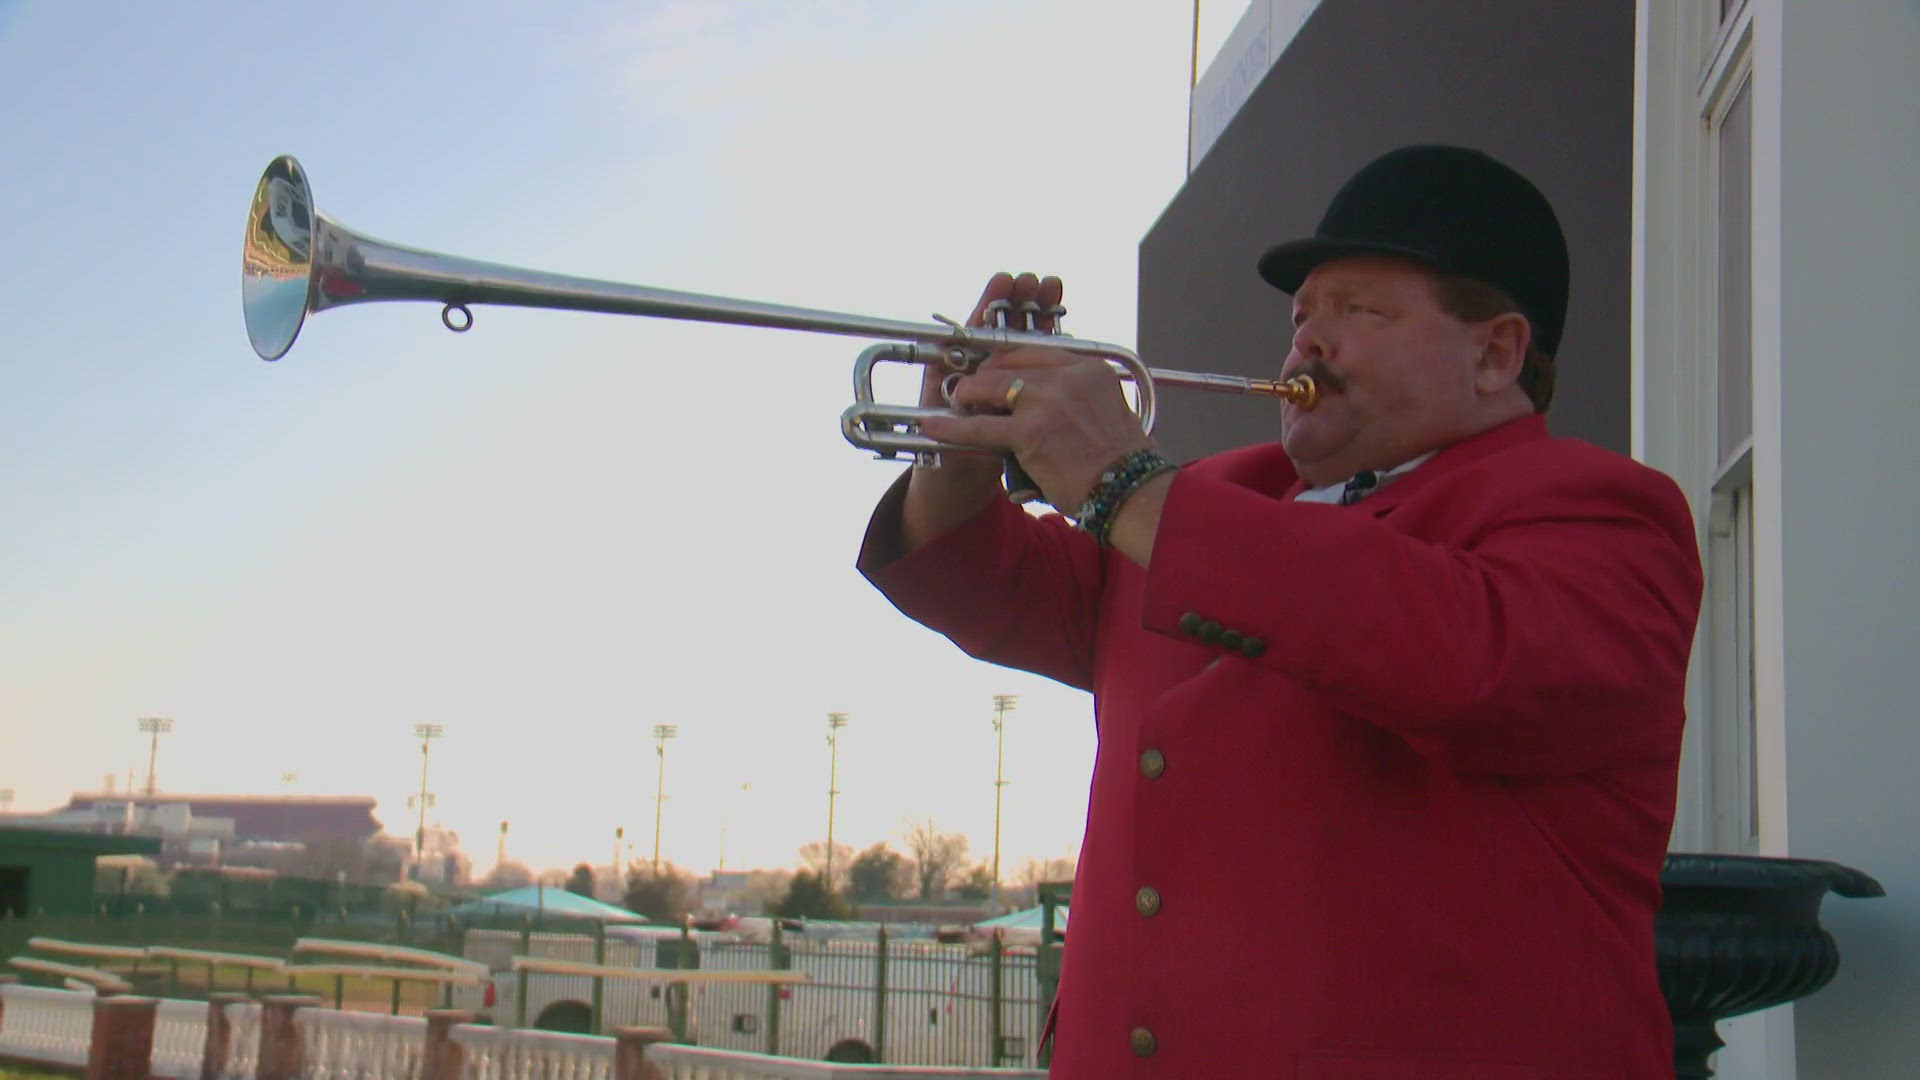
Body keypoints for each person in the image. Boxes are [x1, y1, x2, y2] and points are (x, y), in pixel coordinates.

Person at [855, 145, 1704, 1077]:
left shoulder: (1606, 510)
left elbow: (1464, 656)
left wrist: (1121, 479)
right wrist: (961, 449)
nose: (1307, 340)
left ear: (1496, 352)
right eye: (1303, 314)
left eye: (1358, 311)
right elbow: (981, 581)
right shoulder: (1215, 500)